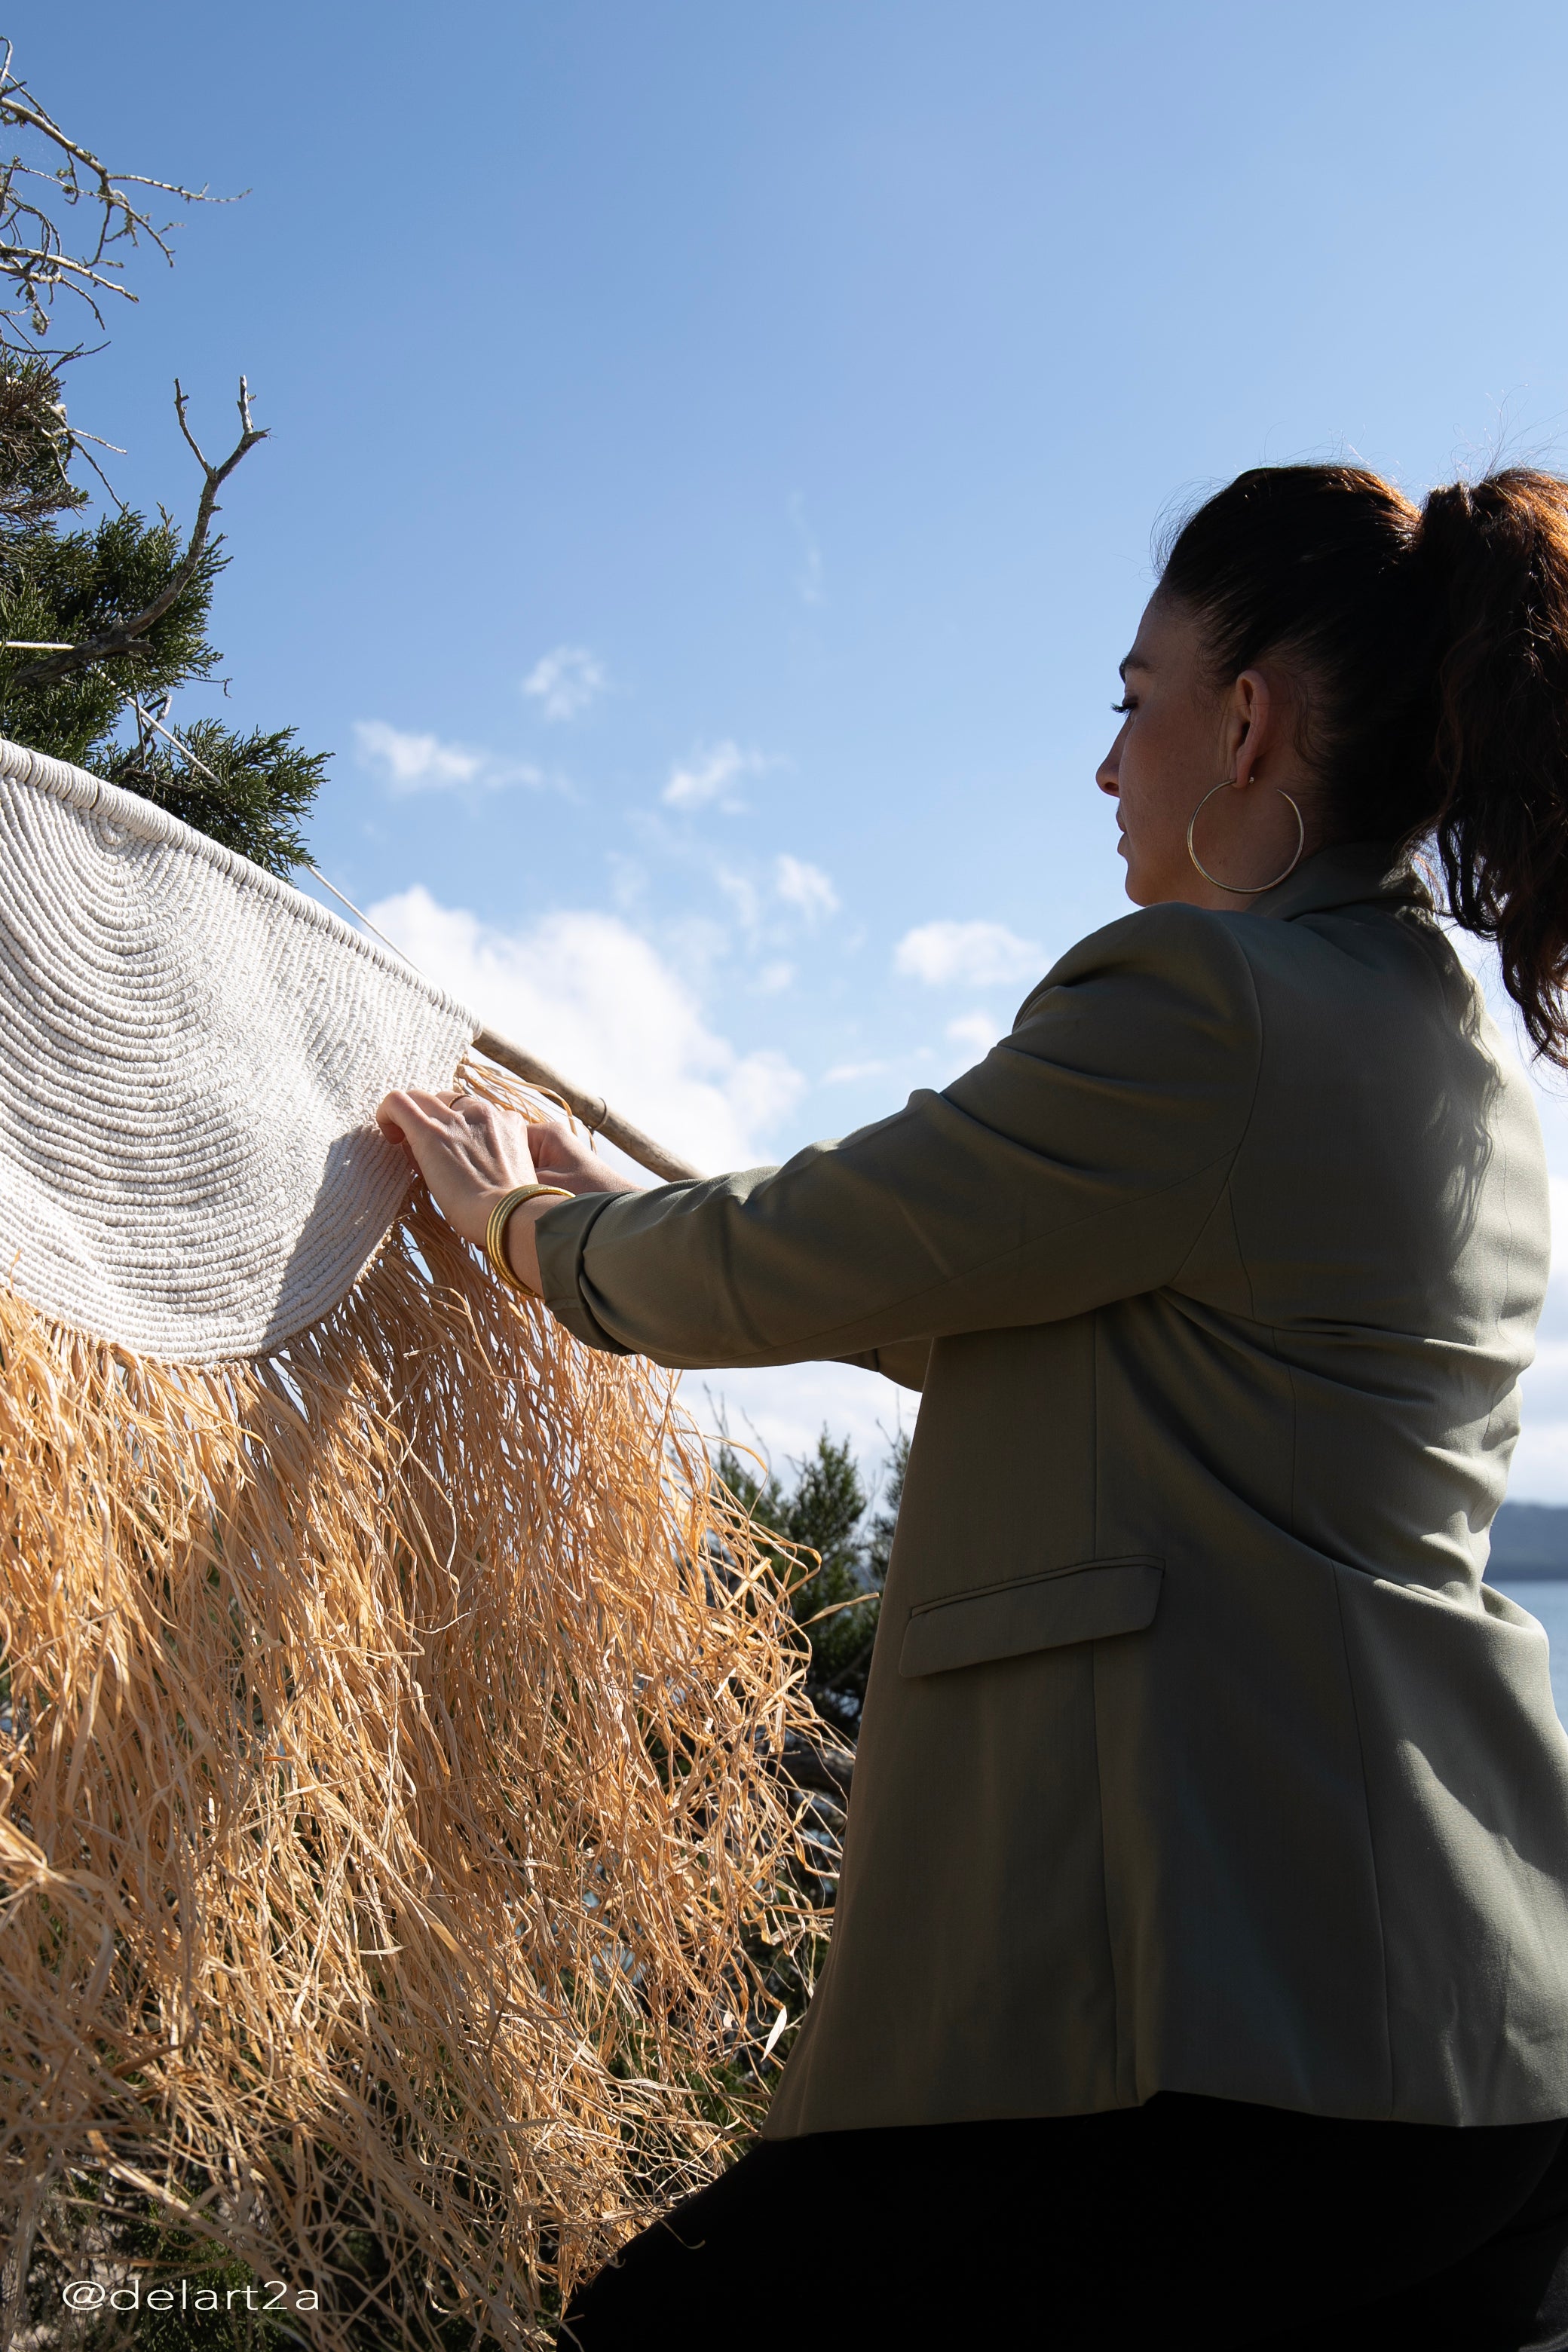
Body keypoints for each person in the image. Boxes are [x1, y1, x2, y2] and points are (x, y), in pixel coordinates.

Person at [378, 465, 1568, 2350]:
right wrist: (608, 1199)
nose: (1107, 765)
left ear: (1243, 719)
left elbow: (827, 1244)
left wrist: (521, 1230)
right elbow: (997, 1299)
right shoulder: (1450, 1052)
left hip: (1195, 2023)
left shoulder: (1203, 998)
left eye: (1131, 699)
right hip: (1474, 2053)